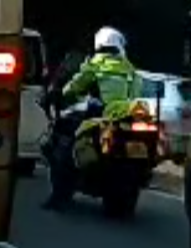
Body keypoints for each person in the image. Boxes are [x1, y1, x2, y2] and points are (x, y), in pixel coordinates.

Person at [42, 26, 141, 209]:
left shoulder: (96, 63)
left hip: (101, 116)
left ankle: (59, 196)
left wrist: (60, 94)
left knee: (66, 144)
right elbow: (136, 94)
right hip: (128, 119)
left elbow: (75, 87)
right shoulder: (130, 69)